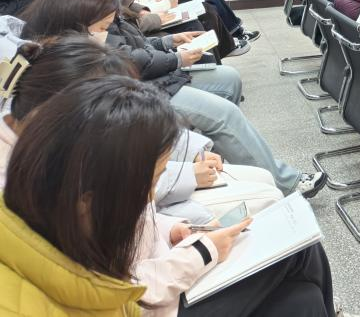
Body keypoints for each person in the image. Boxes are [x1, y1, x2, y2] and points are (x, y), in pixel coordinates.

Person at [0, 75, 338, 316]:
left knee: (302, 291)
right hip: (160, 296)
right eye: (152, 180)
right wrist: (201, 252)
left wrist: (172, 229)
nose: (152, 195)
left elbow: (134, 239)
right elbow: (133, 290)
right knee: (300, 274)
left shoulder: (68, 203)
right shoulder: (33, 293)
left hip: (160, 281)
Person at [18, 0, 326, 198]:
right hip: (142, 89)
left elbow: (135, 45)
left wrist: (168, 42)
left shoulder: (92, 19)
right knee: (224, 114)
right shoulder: (67, 55)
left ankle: (232, 161)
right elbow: (127, 65)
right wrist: (176, 59)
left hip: (147, 81)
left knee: (228, 79)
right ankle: (284, 183)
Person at [0, 36, 281, 223]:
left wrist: (192, 153)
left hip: (154, 216)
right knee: (268, 198)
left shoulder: (56, 126)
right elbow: (126, 190)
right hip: (152, 225)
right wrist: (187, 176)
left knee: (263, 181)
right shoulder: (28, 169)